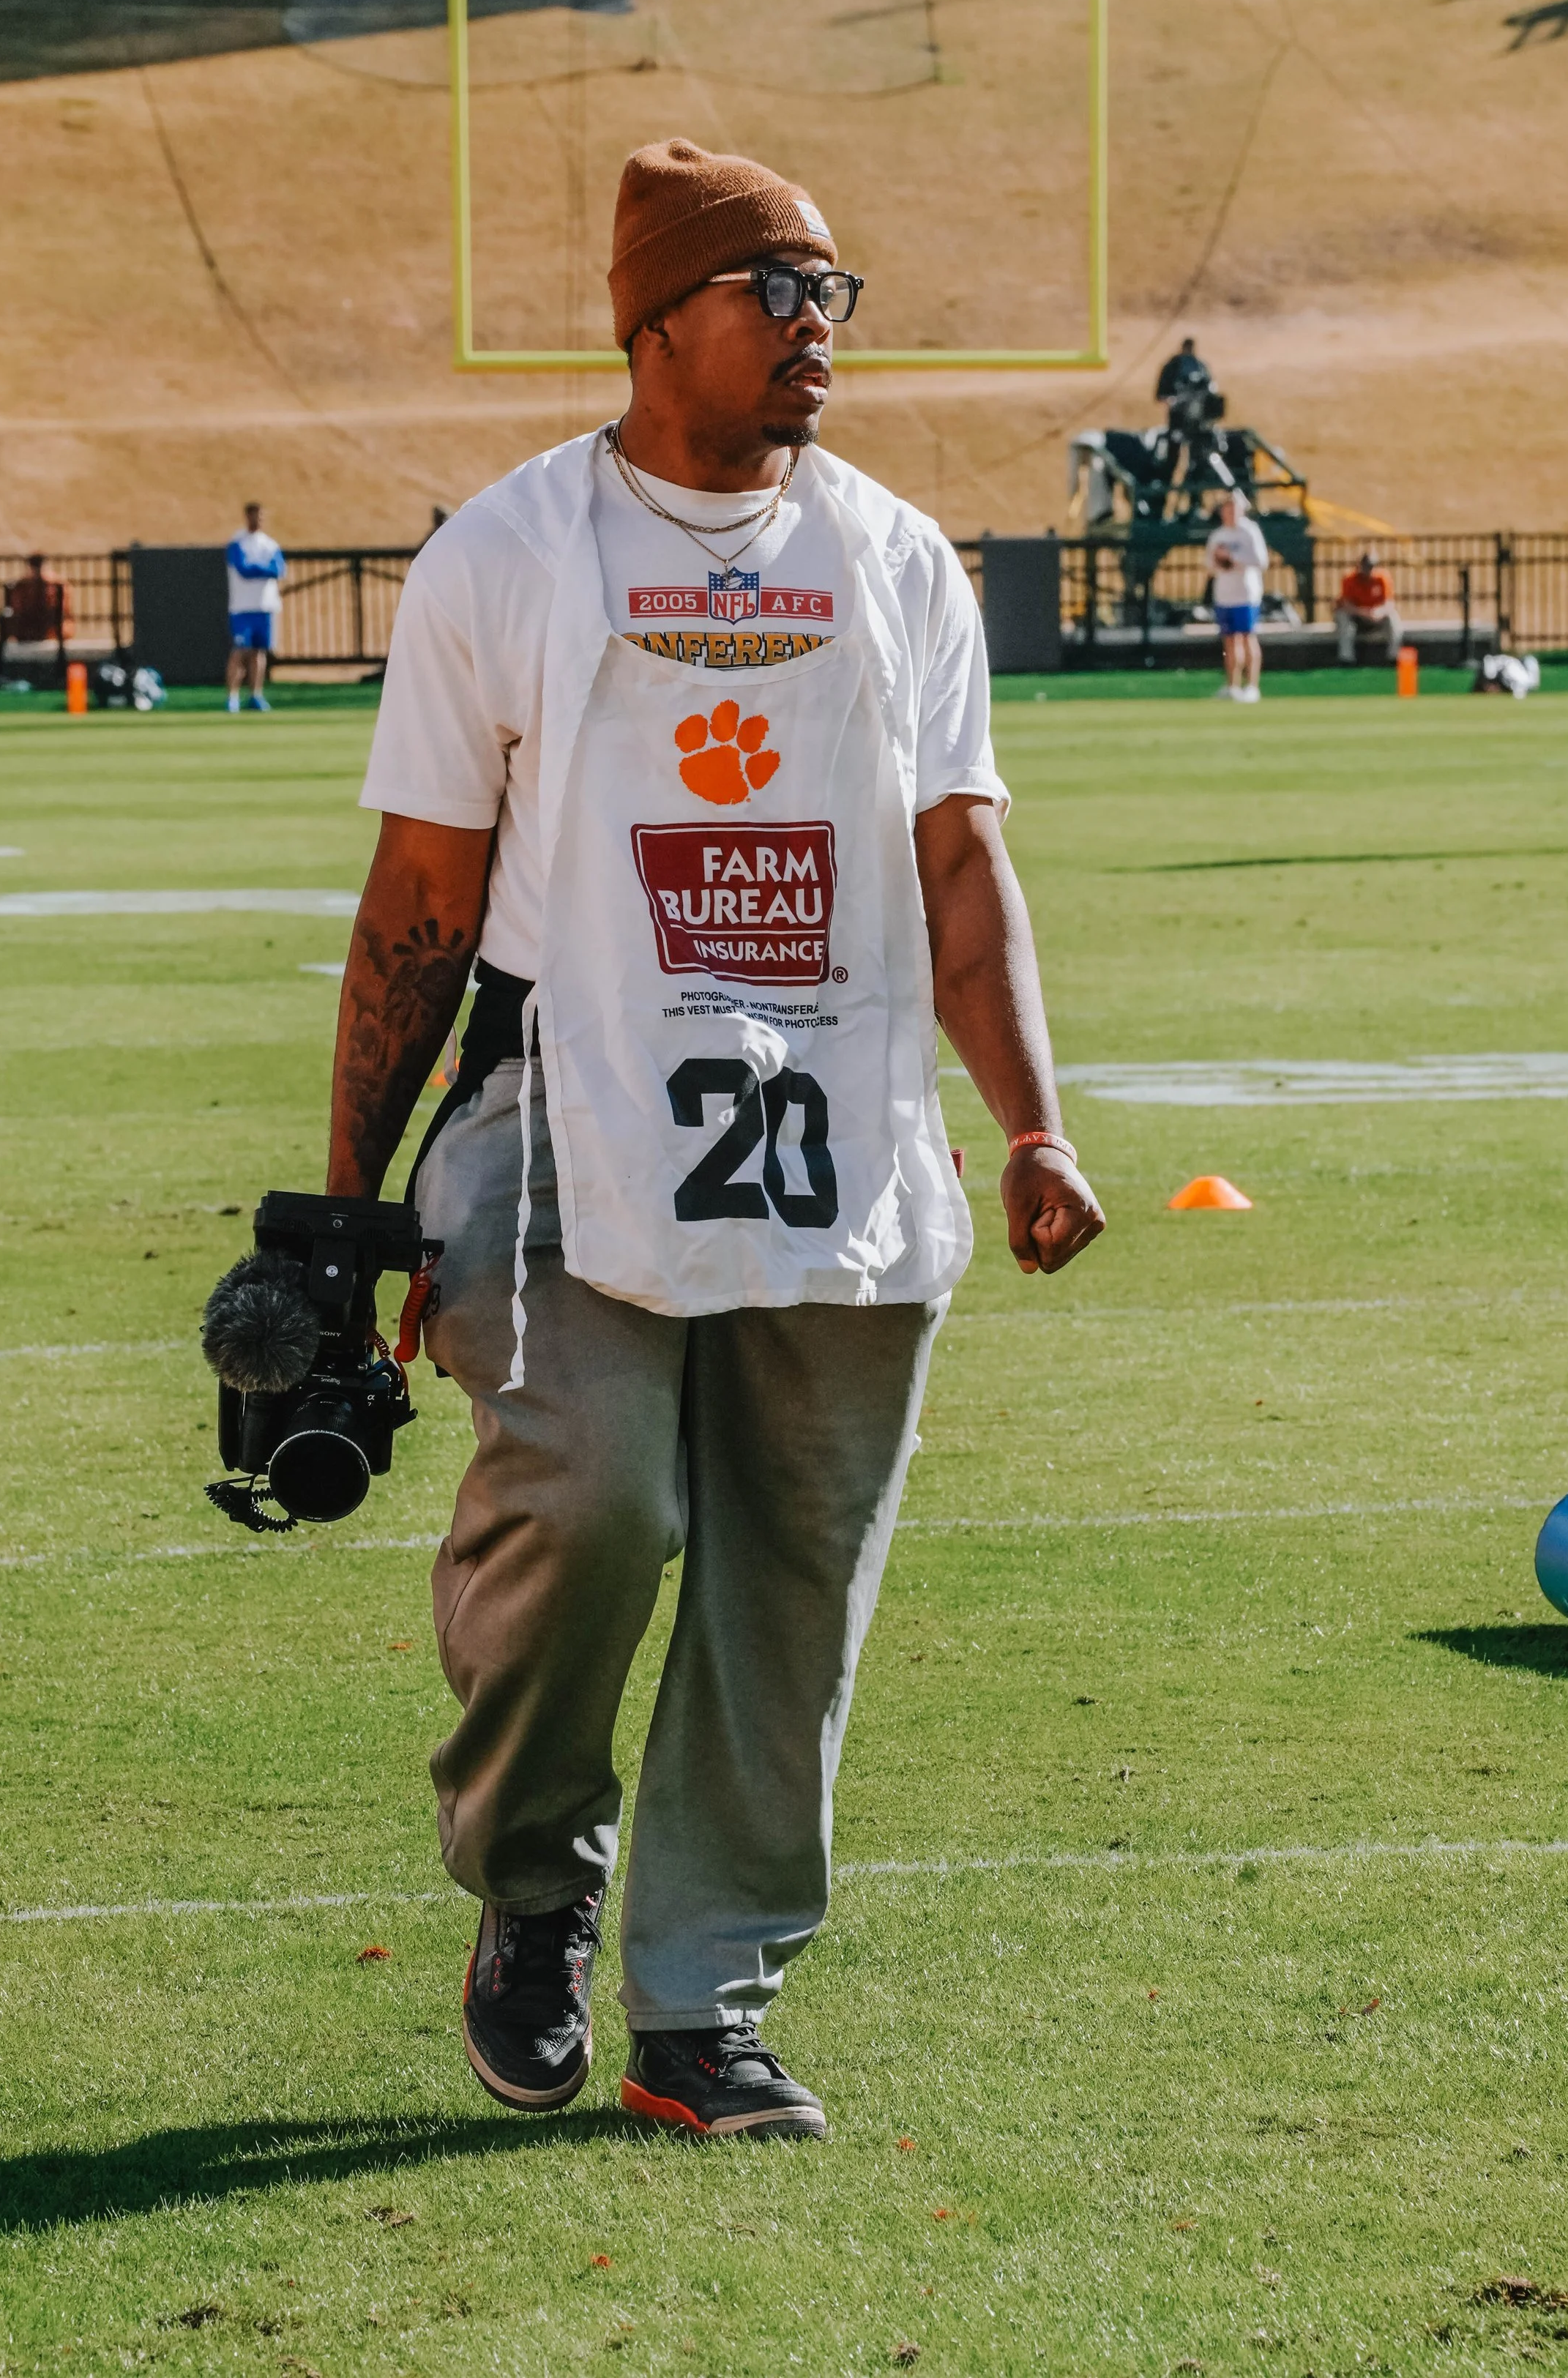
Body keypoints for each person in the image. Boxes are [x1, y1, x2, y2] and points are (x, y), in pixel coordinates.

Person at [331, 138, 1105, 2142]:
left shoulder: (893, 555)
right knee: (594, 1495)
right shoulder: (504, 552)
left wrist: (1030, 1115)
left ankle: (703, 1999)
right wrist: (344, 1210)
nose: (818, 331)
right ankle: (530, 1876)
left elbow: (961, 866)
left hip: (833, 1125)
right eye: (777, 290)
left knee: (790, 1573)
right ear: (652, 316)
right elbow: (417, 897)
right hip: (552, 1105)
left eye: (833, 293)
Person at [1206, 488, 1269, 701]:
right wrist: (1219, 562)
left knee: (1247, 637)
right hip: (1225, 594)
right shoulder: (1218, 535)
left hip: (1245, 594)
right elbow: (1209, 566)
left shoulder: (1249, 532)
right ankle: (1232, 685)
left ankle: (1252, 686)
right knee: (1230, 642)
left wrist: (1233, 559)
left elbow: (1261, 562)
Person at [225, 504, 284, 710]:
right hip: (243, 606)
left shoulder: (269, 544)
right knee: (240, 651)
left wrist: (259, 569)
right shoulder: (237, 543)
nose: (258, 520)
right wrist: (263, 569)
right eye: (255, 516)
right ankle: (232, 696)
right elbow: (243, 569)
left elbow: (279, 569)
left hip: (265, 605)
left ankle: (256, 695)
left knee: (259, 653)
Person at [1333, 548, 1403, 664]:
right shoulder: (1349, 579)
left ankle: (1393, 656)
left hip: (1376, 615)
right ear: (1360, 566)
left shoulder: (1382, 578)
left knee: (1394, 620)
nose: (1369, 570)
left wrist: (1379, 612)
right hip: (1355, 615)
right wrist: (1364, 612)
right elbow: (1346, 605)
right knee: (1344, 620)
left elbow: (1389, 603)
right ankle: (1346, 658)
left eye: (1372, 566)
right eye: (1366, 566)